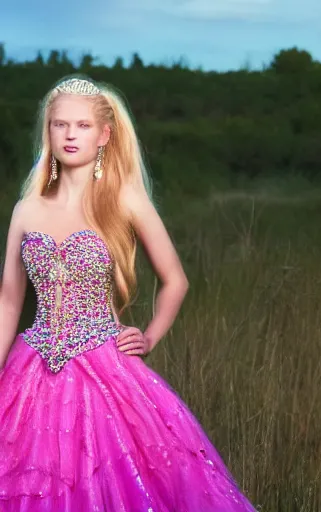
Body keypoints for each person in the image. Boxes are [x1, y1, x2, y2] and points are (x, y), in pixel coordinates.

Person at [0, 76, 257, 511]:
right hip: (31, 368)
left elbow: (175, 279)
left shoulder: (124, 200)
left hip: (104, 365)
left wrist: (151, 336)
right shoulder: (27, 209)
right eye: (59, 125)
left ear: (104, 135)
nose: (69, 135)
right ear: (48, 131)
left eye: (81, 125)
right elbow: (8, 298)